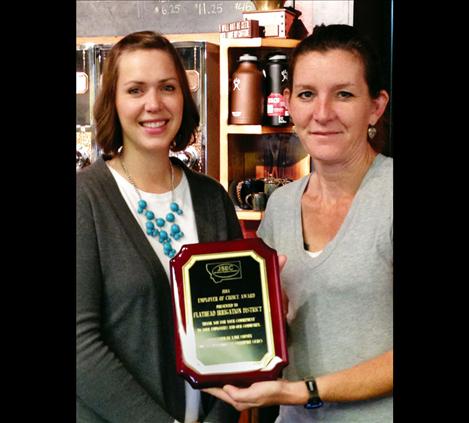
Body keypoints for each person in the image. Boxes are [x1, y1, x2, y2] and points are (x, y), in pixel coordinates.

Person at [205, 24, 393, 422]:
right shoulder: (282, 206)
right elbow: (273, 337)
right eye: (307, 94)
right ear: (288, 103)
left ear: (376, 106)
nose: (322, 113)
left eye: (344, 94)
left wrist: (301, 391)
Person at [76, 31, 242, 423]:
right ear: (113, 103)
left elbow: (237, 329)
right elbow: (80, 345)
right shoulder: (86, 200)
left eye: (168, 87)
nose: (154, 104)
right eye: (135, 90)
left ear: (184, 97)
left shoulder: (212, 199)